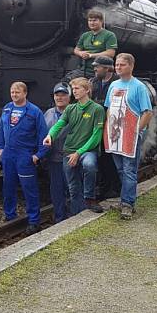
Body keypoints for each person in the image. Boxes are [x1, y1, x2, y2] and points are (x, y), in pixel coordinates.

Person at [44, 78, 106, 215]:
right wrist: (50, 136)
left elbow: (96, 135)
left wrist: (79, 152)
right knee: (73, 187)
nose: (74, 91)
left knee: (89, 165)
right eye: (74, 89)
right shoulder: (71, 109)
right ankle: (77, 214)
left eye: (77, 88)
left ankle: (89, 197)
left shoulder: (97, 109)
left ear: (87, 90)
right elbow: (59, 124)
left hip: (87, 150)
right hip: (69, 151)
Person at [104, 53, 153, 220]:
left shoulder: (139, 87)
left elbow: (147, 113)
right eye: (117, 65)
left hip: (131, 135)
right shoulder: (113, 86)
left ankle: (128, 204)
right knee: (120, 169)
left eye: (122, 65)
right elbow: (109, 108)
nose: (118, 67)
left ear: (131, 66)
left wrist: (136, 131)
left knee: (129, 170)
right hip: (116, 134)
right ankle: (124, 199)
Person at [0, 81, 49, 234]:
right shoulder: (7, 108)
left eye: (17, 92)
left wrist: (38, 155)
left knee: (29, 188)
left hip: (25, 154)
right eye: (12, 92)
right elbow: (2, 130)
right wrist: (0, 148)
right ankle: (10, 215)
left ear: (25, 93)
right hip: (8, 154)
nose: (14, 95)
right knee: (8, 185)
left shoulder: (34, 112)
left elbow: (44, 135)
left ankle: (34, 220)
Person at [90, 55, 120, 199]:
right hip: (97, 125)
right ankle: (103, 187)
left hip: (113, 126)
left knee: (112, 158)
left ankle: (116, 188)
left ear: (107, 68)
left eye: (98, 66)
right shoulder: (93, 82)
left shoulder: (118, 83)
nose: (95, 68)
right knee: (101, 158)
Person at [42, 83, 71, 223]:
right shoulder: (48, 113)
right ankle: (59, 218)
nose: (60, 98)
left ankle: (73, 217)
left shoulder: (75, 112)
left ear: (69, 97)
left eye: (63, 95)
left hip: (70, 158)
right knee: (56, 189)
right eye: (57, 95)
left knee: (71, 188)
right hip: (53, 158)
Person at [74, 9, 118, 77]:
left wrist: (91, 55)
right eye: (90, 20)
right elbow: (76, 50)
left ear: (101, 21)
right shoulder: (85, 35)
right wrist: (80, 53)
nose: (92, 23)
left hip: (101, 71)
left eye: (94, 20)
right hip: (83, 70)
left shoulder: (109, 35)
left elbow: (110, 53)